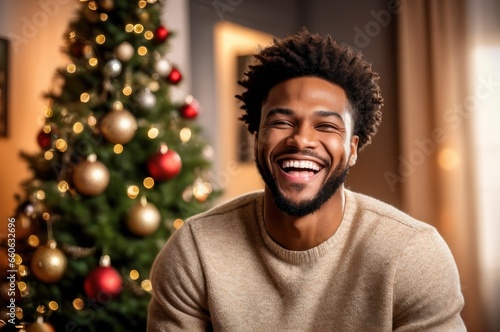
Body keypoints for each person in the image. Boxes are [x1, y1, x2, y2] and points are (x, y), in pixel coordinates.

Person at [147, 30, 466, 331]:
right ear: (257, 138)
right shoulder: (195, 251)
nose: (301, 140)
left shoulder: (412, 254)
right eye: (282, 122)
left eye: (326, 126)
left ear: (352, 149)